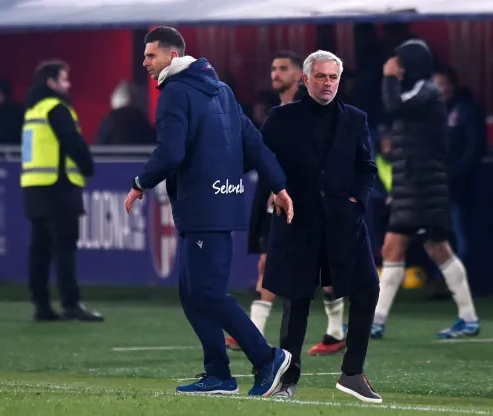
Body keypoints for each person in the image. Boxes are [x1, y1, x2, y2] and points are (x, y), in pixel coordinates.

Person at [123, 27, 293, 396]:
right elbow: (255, 143)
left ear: (172, 56)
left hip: (202, 207)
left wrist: (140, 182)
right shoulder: (223, 91)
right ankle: (218, 374)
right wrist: (278, 185)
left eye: (151, 55)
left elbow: (171, 153)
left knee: (208, 293)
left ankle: (267, 359)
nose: (145, 63)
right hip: (220, 203)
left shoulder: (174, 94)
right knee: (192, 292)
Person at [260, 50, 382, 403]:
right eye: (322, 77)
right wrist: (276, 190)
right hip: (298, 222)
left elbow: (367, 167)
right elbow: (259, 157)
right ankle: (287, 379)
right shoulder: (281, 119)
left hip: (344, 222)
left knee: (368, 288)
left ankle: (352, 373)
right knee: (296, 300)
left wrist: (356, 201)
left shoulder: (356, 119)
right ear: (306, 79)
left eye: (333, 78)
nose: (328, 83)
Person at [227, 51, 347, 357]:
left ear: (301, 76)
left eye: (283, 69)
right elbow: (261, 152)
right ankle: (252, 331)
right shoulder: (277, 113)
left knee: (324, 265)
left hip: (311, 199)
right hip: (278, 199)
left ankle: (336, 331)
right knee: (268, 261)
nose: (275, 74)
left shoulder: (319, 111)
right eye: (272, 68)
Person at [371, 39, 480, 340]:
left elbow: (393, 105)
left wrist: (389, 77)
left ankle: (378, 321)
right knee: (431, 248)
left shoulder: (427, 90)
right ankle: (467, 318)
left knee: (410, 247)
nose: (397, 67)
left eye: (401, 62)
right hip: (415, 185)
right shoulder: (420, 91)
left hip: (422, 187)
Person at [21, 60, 103, 322]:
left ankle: (42, 305)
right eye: (64, 79)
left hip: (34, 189)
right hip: (59, 187)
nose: (68, 84)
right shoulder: (57, 108)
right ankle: (70, 303)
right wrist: (87, 165)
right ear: (52, 82)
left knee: (40, 249)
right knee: (64, 248)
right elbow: (72, 141)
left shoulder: (33, 111)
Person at [432, 66, 487, 263]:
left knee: (461, 231)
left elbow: (474, 149)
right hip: (435, 186)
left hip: (459, 185)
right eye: (435, 85)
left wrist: (453, 175)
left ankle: (464, 278)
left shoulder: (468, 110)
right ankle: (442, 277)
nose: (439, 90)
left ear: (452, 85)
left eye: (442, 84)